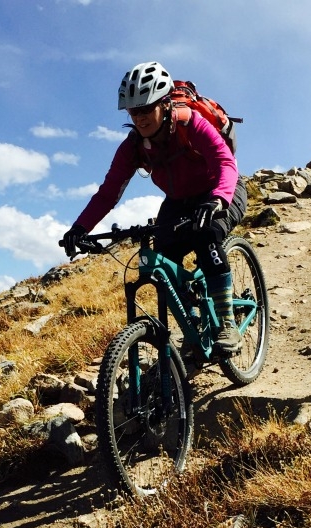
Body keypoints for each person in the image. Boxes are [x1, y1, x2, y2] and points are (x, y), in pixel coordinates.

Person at [61, 61, 247, 356]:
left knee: (206, 235)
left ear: (163, 104)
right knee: (162, 260)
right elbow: (109, 192)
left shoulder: (191, 124)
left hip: (221, 190)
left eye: (146, 108)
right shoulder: (132, 146)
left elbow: (225, 162)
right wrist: (80, 228)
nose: (141, 117)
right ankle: (193, 325)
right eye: (134, 111)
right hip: (178, 201)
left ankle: (227, 323)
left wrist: (218, 199)